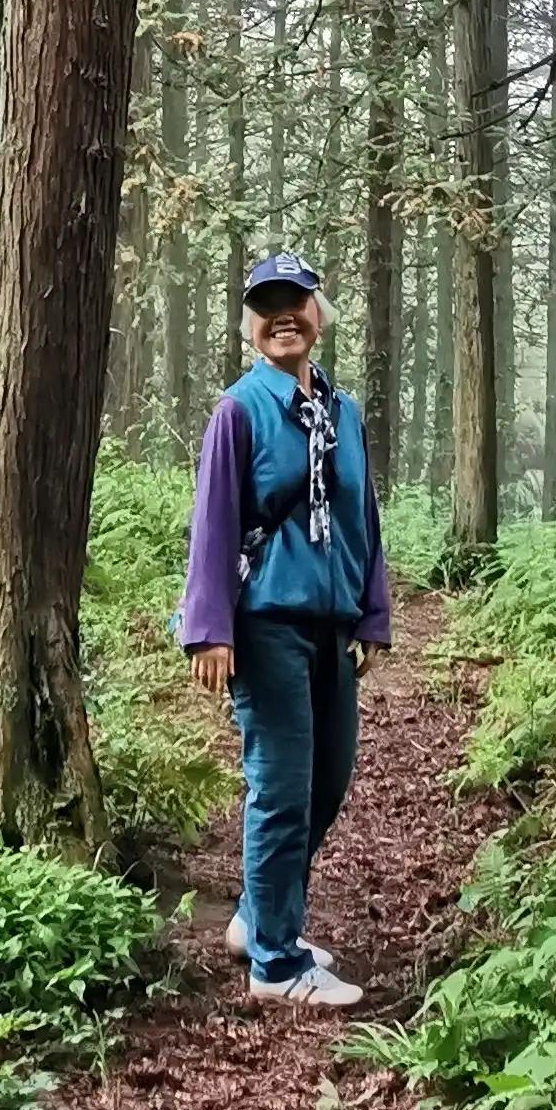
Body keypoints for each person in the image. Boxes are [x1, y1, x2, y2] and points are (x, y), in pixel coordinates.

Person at [176, 251, 391, 1006]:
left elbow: (364, 516)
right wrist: (208, 627)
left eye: (295, 302)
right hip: (264, 623)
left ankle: (256, 918)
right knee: (281, 789)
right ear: (251, 327)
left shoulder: (345, 412)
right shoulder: (241, 410)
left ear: (318, 316)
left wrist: (374, 613)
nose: (283, 318)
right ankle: (275, 964)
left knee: (328, 779)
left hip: (332, 626)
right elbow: (214, 522)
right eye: (267, 307)